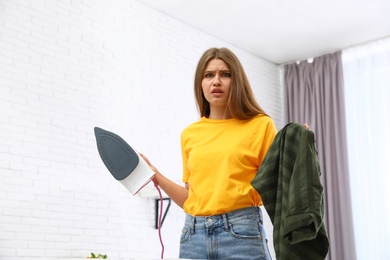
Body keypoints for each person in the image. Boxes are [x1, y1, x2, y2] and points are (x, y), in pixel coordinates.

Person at [140, 47, 277, 260]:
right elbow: (191, 198)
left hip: (242, 235)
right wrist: (155, 174)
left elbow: (278, 188)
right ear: (200, 83)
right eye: (209, 75)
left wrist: (299, 147)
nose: (216, 81)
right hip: (193, 236)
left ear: (237, 80)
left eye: (225, 74)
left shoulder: (261, 126)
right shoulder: (190, 134)